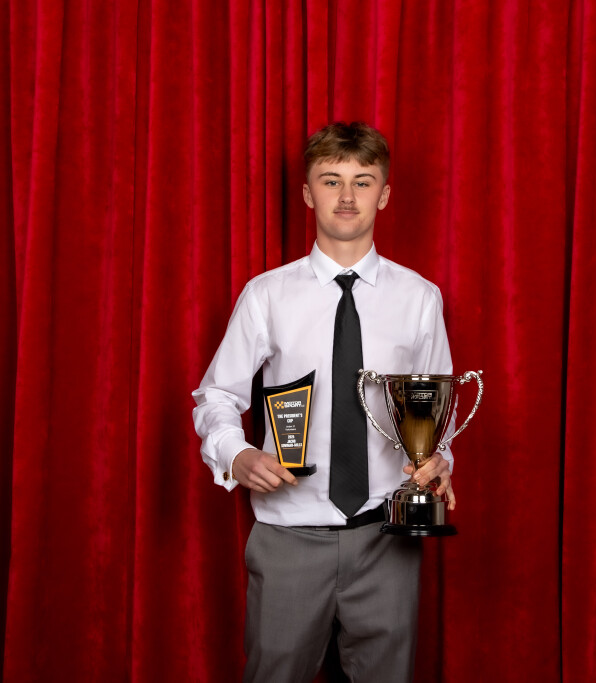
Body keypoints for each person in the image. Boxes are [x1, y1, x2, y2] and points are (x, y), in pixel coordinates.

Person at [192, 121, 456, 682]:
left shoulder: (419, 298)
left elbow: (436, 416)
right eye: (331, 180)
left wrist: (439, 460)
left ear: (385, 195)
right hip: (289, 533)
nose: (347, 196)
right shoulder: (267, 295)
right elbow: (216, 394)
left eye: (363, 181)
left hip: (387, 535)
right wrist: (237, 454)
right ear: (308, 194)